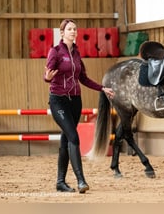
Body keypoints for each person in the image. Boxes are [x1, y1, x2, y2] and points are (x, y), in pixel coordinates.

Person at [43, 19, 115, 193]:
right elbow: (47, 74)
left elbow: (83, 78)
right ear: (62, 32)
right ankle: (81, 181)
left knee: (65, 140)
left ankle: (60, 182)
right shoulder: (55, 51)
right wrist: (48, 78)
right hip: (58, 100)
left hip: (75, 101)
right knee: (74, 138)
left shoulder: (76, 53)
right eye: (69, 29)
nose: (73, 31)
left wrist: (102, 88)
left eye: (75, 29)